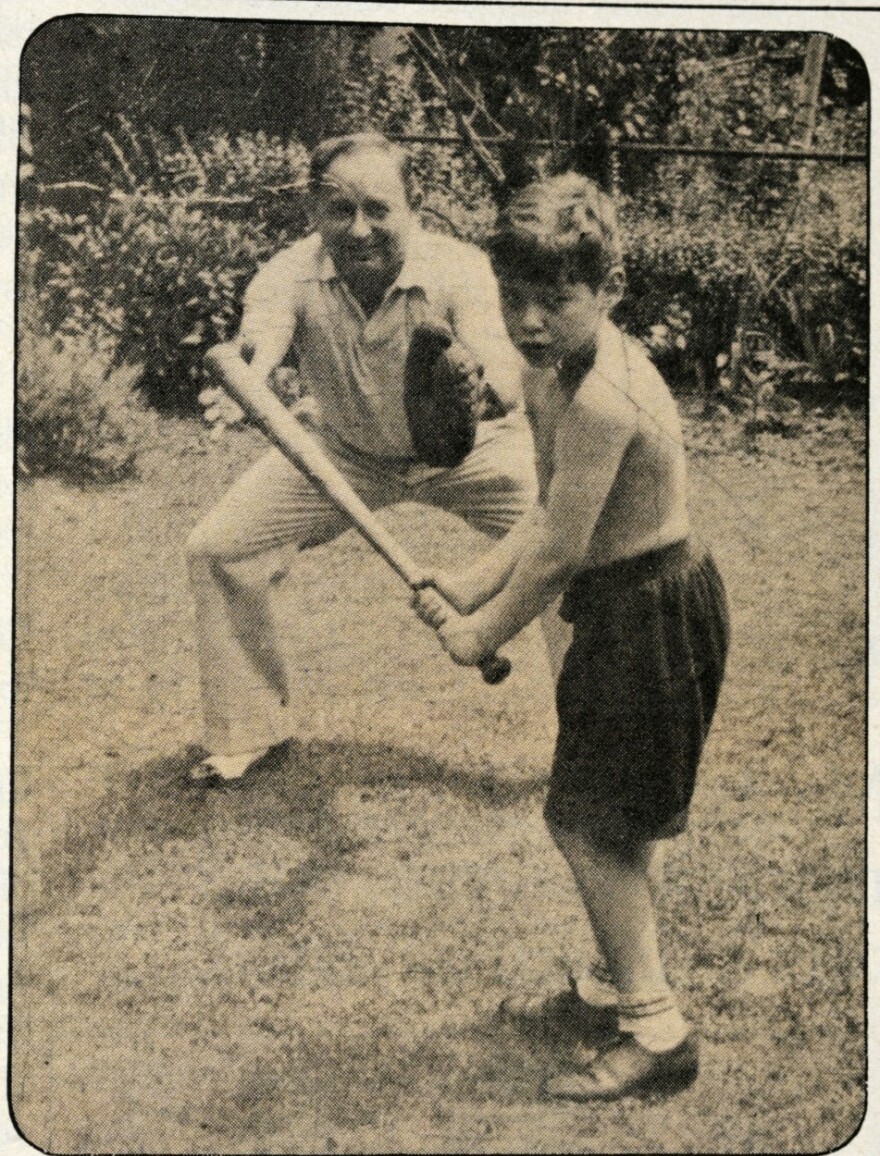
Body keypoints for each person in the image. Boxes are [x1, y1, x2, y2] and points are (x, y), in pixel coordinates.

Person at [413, 172, 729, 1101]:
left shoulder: (604, 399)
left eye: (559, 298)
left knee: (587, 824)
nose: (533, 320)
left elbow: (556, 554)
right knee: (611, 815)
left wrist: (479, 635)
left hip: (655, 613)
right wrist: (470, 580)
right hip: (619, 606)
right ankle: (609, 984)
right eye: (516, 298)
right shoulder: (549, 374)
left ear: (611, 290)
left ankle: (656, 1029)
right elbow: (547, 512)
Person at [186, 133, 538, 784]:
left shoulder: (459, 268)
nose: (359, 229)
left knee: (576, 549)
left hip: (472, 452)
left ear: (415, 206)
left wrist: (480, 391)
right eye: (338, 210)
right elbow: (260, 342)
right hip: (343, 452)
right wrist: (252, 372)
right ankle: (246, 733)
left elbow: (502, 368)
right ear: (313, 213)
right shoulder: (288, 273)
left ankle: (598, 747)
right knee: (220, 547)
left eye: (378, 209)